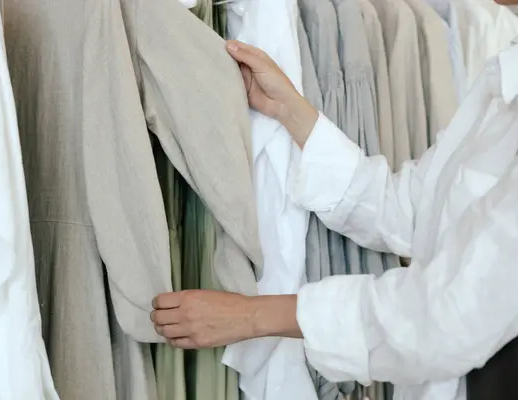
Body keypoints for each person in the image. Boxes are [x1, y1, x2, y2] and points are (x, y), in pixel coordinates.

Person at [151, 5, 518, 399]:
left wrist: (250, 315)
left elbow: (448, 318)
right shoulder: (504, 86)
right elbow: (406, 209)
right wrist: (290, 110)